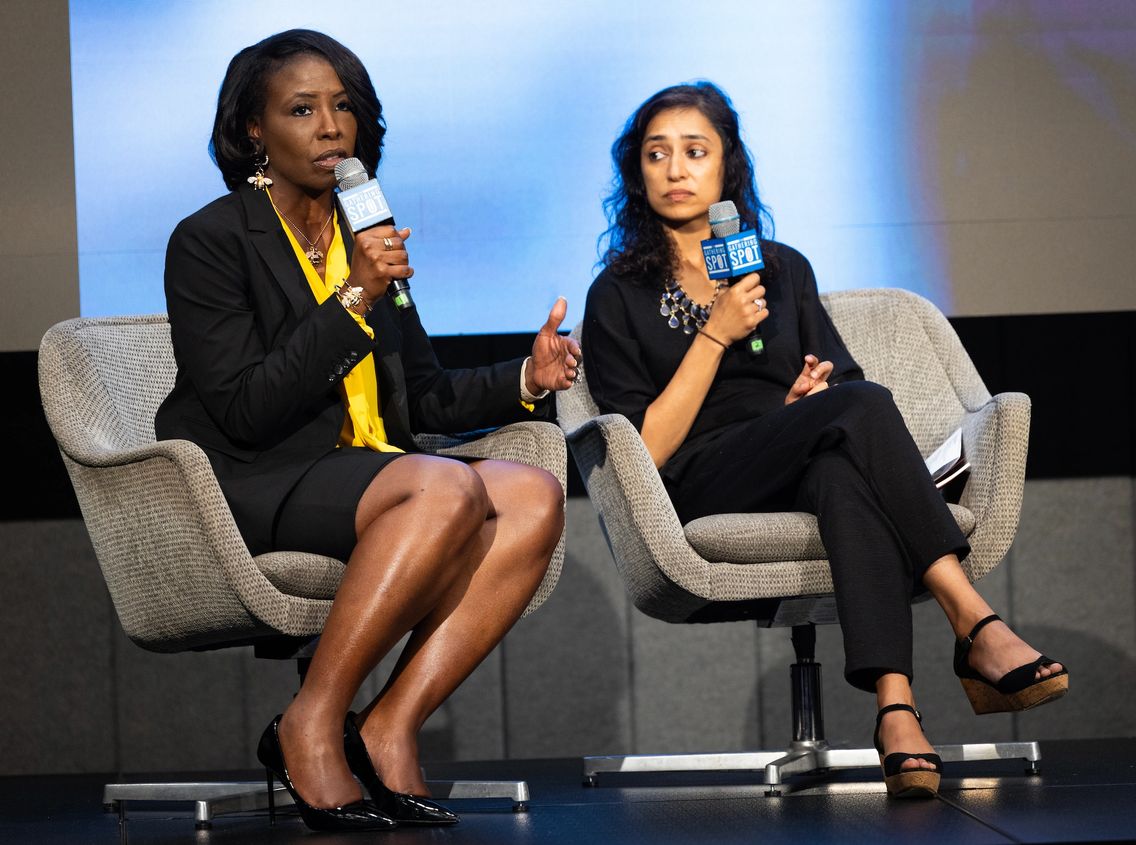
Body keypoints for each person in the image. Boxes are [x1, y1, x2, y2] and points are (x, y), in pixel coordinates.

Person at [581, 82, 1067, 799]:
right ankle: (973, 620)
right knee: (860, 414)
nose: (676, 169)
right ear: (637, 172)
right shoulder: (616, 293)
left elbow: (849, 385)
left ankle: (895, 710)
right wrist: (716, 330)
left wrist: (810, 400)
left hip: (798, 449)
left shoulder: (781, 268)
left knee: (845, 462)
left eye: (695, 151)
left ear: (726, 168)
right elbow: (645, 450)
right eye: (657, 154)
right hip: (700, 476)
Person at [155, 30, 580, 831]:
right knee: (443, 481)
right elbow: (247, 407)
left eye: (343, 106)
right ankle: (311, 719)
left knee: (530, 492)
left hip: (373, 473)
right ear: (254, 129)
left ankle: (389, 722)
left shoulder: (366, 235)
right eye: (303, 109)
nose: (330, 127)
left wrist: (528, 376)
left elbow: (420, 397)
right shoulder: (211, 241)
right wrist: (352, 297)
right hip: (259, 476)